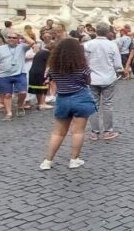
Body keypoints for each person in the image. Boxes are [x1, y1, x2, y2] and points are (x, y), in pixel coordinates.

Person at [40, 38, 98, 170]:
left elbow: (52, 80)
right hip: (80, 98)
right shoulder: (82, 66)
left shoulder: (53, 67)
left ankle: (48, 161)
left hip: (62, 99)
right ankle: (74, 159)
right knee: (78, 131)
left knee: (58, 132)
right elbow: (88, 81)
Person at [84, 23, 122, 139]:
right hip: (108, 78)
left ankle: (94, 132)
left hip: (92, 78)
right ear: (107, 32)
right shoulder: (112, 45)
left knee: (93, 105)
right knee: (107, 104)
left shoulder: (87, 44)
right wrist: (118, 71)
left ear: (96, 31)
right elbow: (117, 64)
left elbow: (84, 62)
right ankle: (108, 131)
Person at [0, 29, 36, 120]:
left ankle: (20, 105)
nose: (11, 39)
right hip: (4, 75)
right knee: (7, 95)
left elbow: (32, 42)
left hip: (20, 73)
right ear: (6, 38)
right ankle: (9, 113)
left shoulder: (22, 47)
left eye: (14, 38)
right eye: (9, 37)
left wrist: (22, 34)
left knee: (23, 92)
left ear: (18, 39)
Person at [28, 40, 53, 110]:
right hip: (41, 72)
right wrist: (48, 76)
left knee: (38, 88)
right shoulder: (47, 53)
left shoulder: (40, 52)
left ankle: (40, 103)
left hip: (33, 72)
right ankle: (42, 103)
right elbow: (48, 65)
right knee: (43, 87)